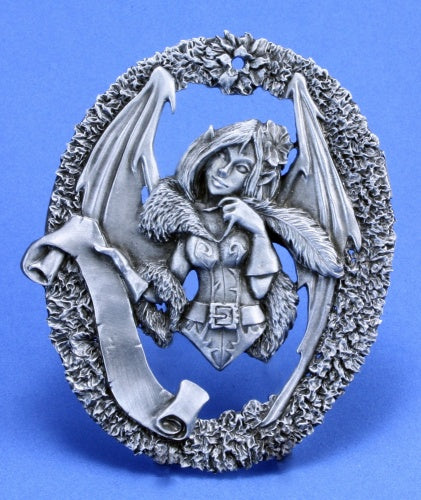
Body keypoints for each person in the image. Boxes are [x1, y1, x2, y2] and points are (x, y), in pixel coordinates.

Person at [138, 120, 299, 369]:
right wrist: (123, 274)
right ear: (208, 155)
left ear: (255, 178)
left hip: (251, 325)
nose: (224, 171)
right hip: (195, 324)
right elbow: (167, 287)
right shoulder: (186, 218)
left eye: (241, 168)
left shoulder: (251, 222)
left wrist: (258, 229)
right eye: (222, 157)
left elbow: (259, 289)